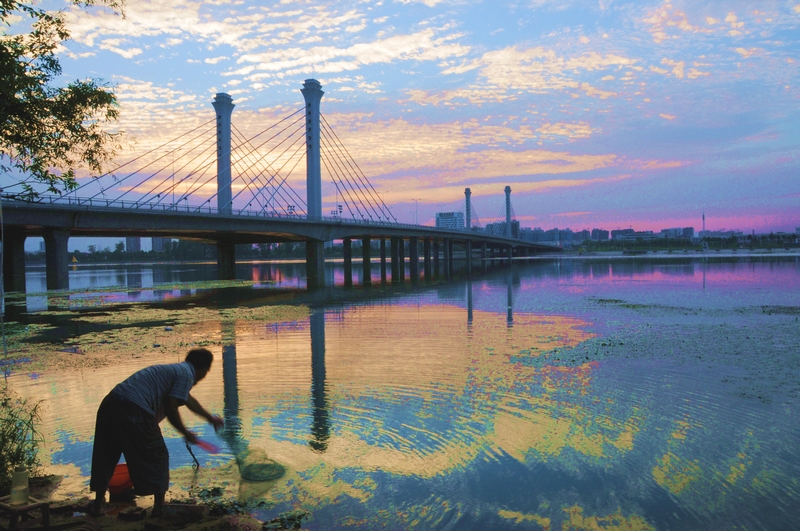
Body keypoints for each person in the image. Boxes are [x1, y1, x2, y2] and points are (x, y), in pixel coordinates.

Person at [89, 348, 224, 517]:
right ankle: (160, 508)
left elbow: (189, 400)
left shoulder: (176, 371)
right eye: (207, 371)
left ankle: (98, 506)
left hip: (110, 403)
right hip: (134, 409)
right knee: (158, 455)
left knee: (106, 455)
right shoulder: (186, 375)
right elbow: (171, 406)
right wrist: (185, 431)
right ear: (204, 369)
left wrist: (210, 419)